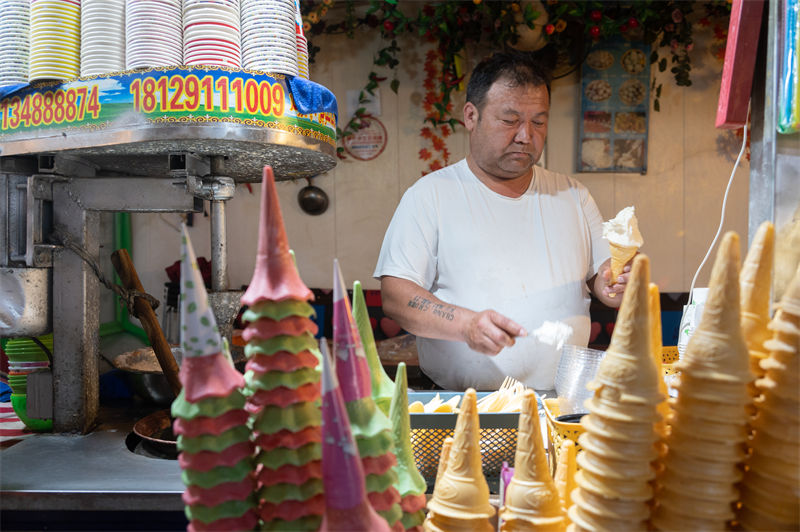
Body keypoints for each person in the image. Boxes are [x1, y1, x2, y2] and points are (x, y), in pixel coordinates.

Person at [373, 50, 631, 391]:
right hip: (464, 403)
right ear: (471, 116)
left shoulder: (573, 195)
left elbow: (606, 282)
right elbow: (395, 296)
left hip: (559, 401)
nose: (525, 135)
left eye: (538, 122)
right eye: (510, 120)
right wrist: (465, 324)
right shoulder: (430, 195)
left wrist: (616, 284)